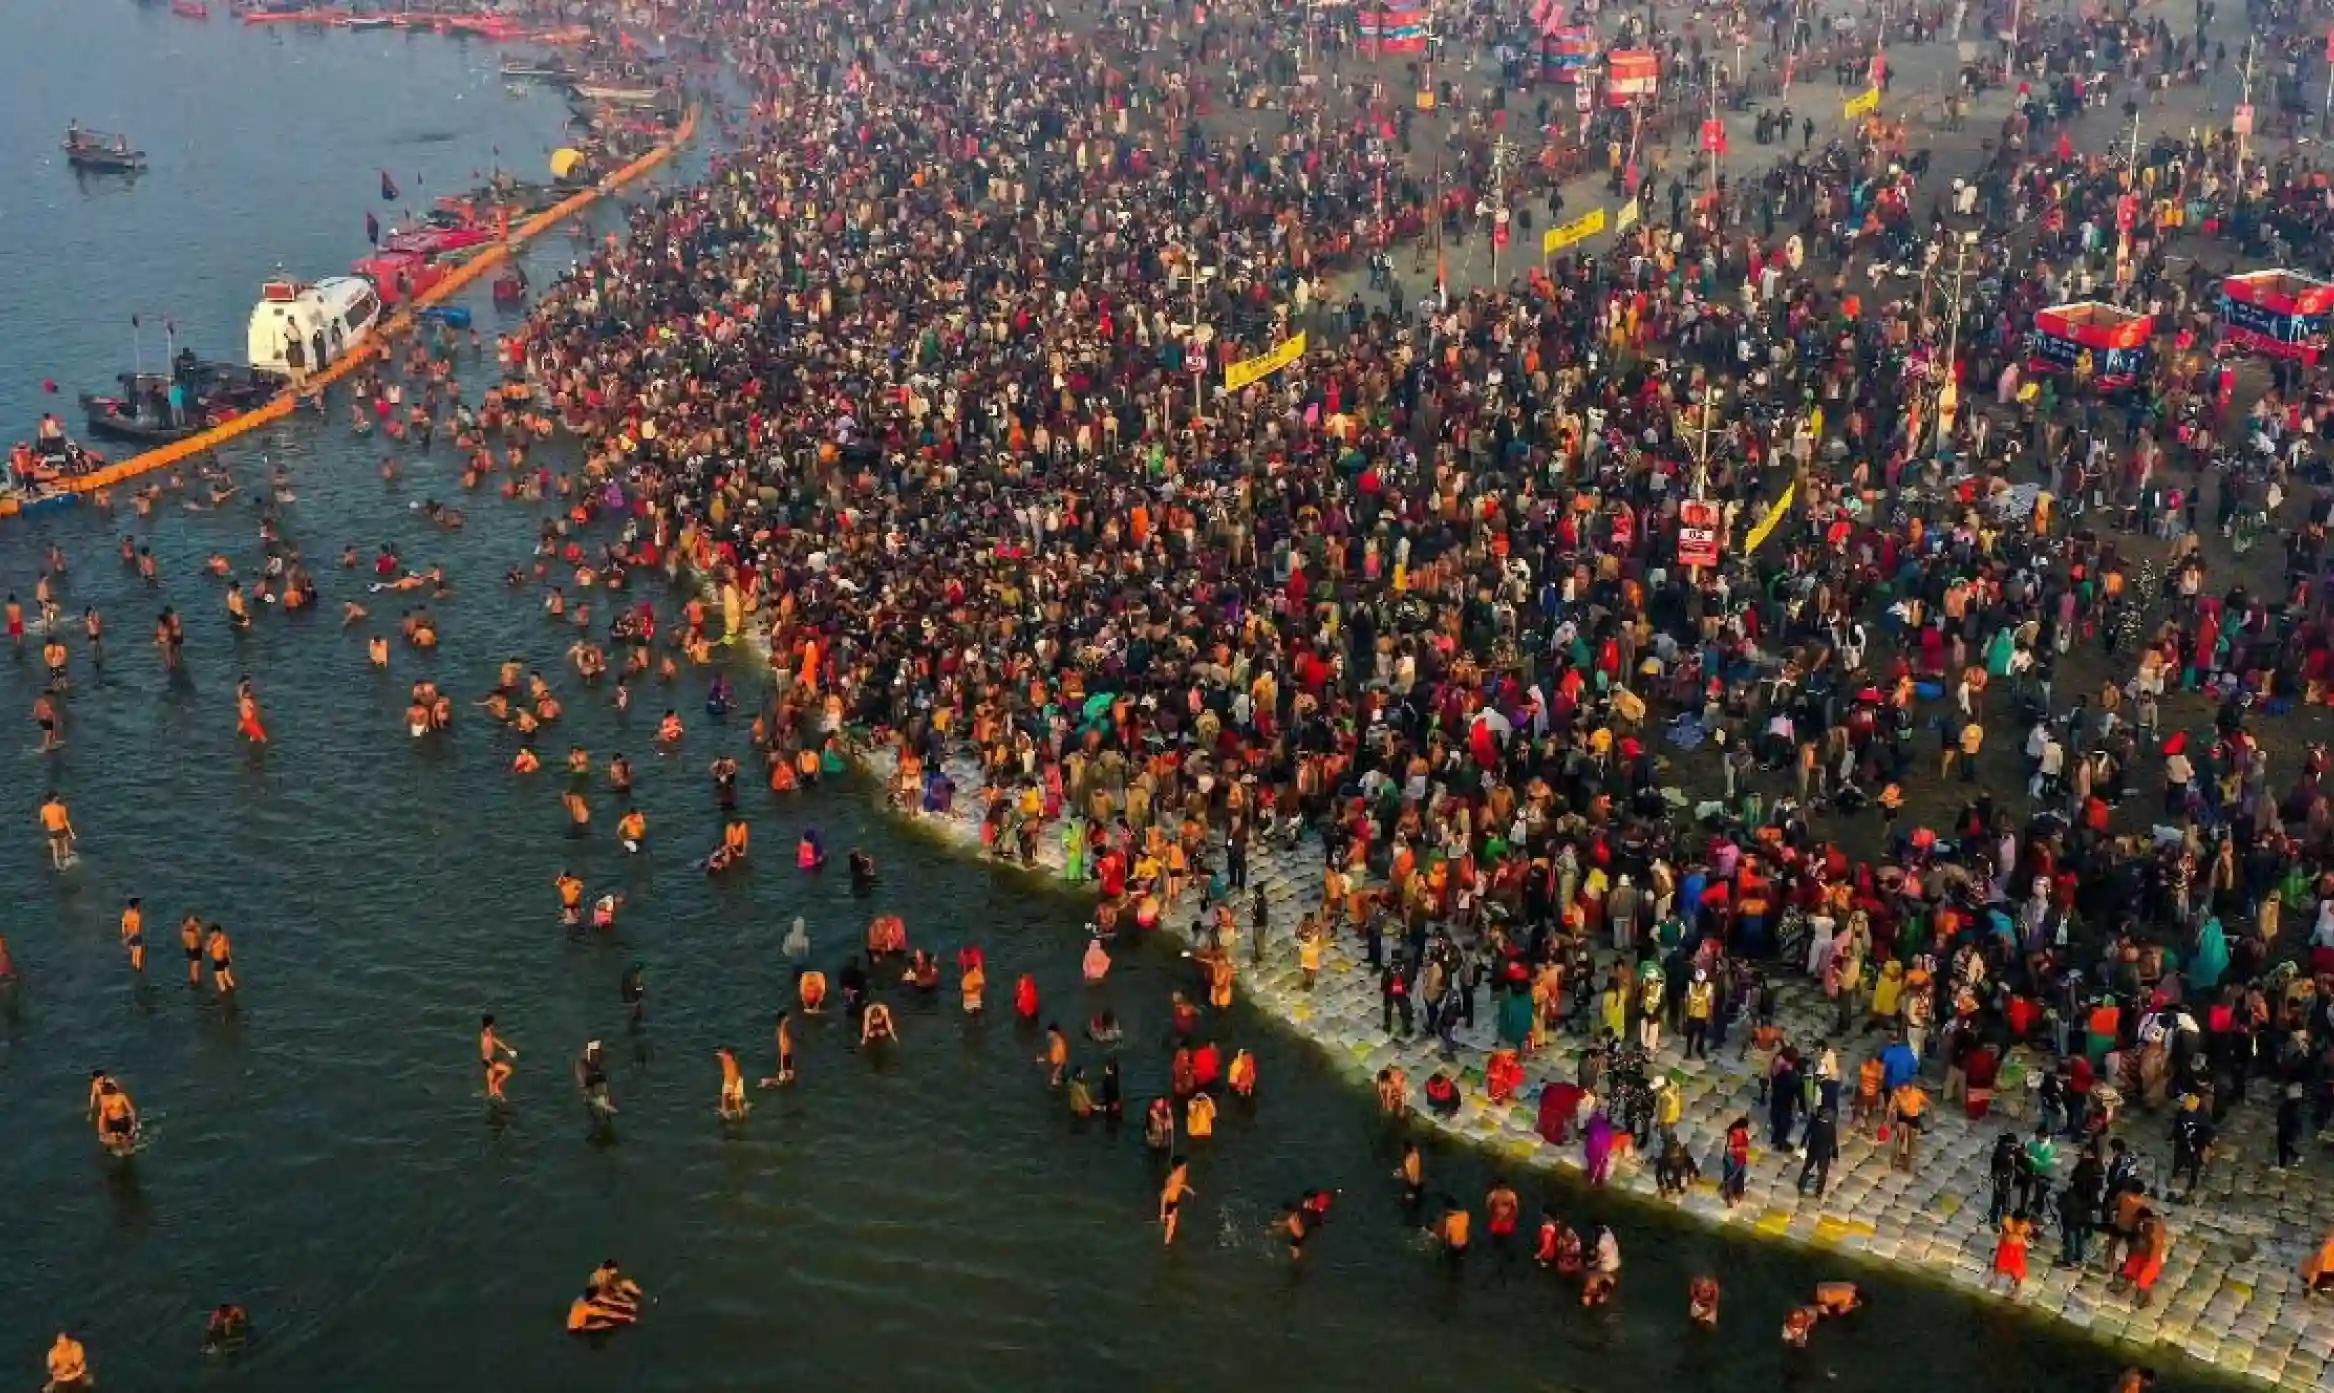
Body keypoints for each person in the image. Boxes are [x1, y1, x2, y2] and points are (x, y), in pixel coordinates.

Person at [92, 1074, 138, 1155]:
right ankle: (120, 1147)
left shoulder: (121, 1097)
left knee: (126, 1143)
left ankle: (128, 1147)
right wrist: (101, 1130)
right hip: (112, 1123)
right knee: (113, 1140)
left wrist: (133, 1125)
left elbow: (131, 1111)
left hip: (123, 1121)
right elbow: (103, 1116)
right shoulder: (104, 1100)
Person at [480, 1014, 518, 1103]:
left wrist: (506, 1049)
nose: (494, 1025)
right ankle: (497, 1087)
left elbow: (494, 1040)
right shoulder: (486, 1037)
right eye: (493, 1023)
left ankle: (497, 1098)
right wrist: (492, 1066)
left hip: (489, 1061)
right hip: (489, 1061)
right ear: (491, 1024)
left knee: (491, 1088)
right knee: (508, 1070)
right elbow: (485, 1054)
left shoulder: (486, 1033)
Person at [574, 1040, 616, 1117]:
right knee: (591, 1098)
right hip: (590, 1078)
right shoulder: (583, 1060)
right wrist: (582, 1085)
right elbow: (580, 1072)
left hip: (594, 1077)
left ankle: (602, 1106)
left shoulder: (594, 1057)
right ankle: (600, 1105)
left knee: (598, 1094)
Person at [1159, 1154, 1194, 1245]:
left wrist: (1189, 1190)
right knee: (1170, 1226)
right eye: (1184, 1165)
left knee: (1173, 1222)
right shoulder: (1172, 1179)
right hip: (1169, 1202)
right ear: (1179, 1167)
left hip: (1175, 1201)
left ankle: (1168, 1237)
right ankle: (1166, 1244)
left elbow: (1181, 1184)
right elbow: (1164, 1196)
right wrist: (1162, 1213)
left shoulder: (1181, 1174)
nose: (1186, 1166)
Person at [38, 790, 76, 869]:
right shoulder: (61, 808)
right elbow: (65, 821)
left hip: (51, 830)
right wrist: (72, 833)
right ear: (55, 798)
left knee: (55, 848)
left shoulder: (44, 808)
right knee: (65, 843)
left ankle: (57, 865)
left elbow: (42, 821)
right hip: (60, 829)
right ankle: (66, 861)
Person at [759, 1011, 796, 1087]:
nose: (789, 1018)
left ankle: (767, 1082)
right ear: (783, 1019)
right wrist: (782, 1065)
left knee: (788, 1079)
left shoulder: (783, 1028)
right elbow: (782, 1047)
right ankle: (766, 1082)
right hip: (785, 1056)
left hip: (787, 1056)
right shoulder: (782, 1031)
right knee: (785, 1080)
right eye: (787, 1017)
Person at [716, 1046, 748, 1120]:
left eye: (723, 1053)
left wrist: (733, 1088)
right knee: (724, 1098)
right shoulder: (725, 1059)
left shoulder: (733, 1063)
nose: (720, 1054)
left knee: (737, 1102)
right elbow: (726, 1071)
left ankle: (742, 1116)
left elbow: (735, 1075)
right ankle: (726, 1112)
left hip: (735, 1081)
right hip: (728, 1080)